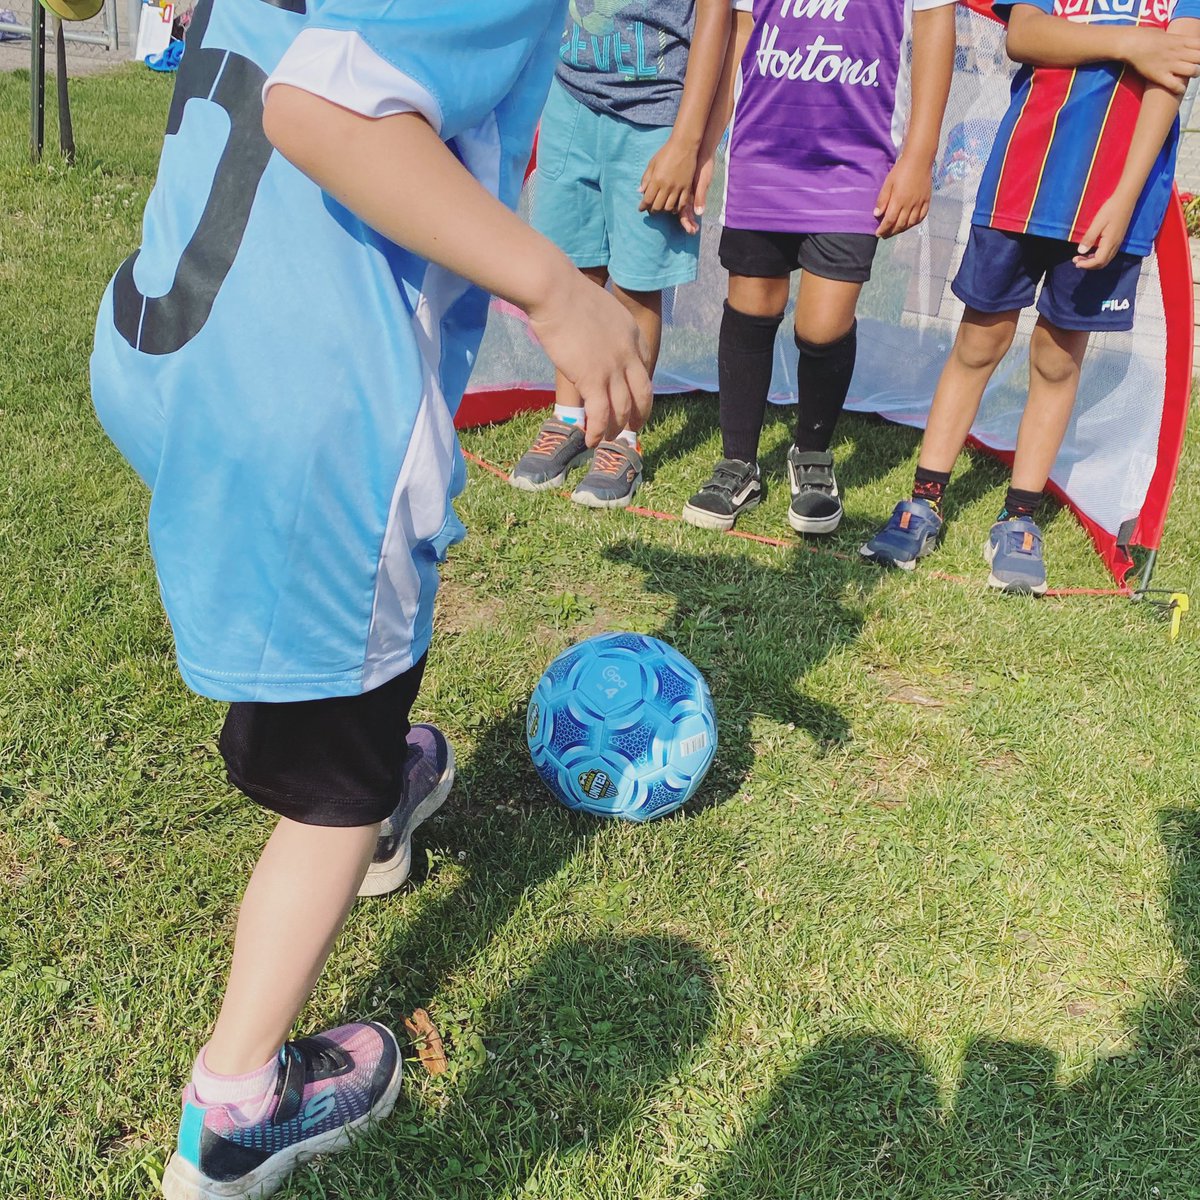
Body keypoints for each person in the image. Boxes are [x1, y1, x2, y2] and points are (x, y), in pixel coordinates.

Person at [89, 2, 651, 1197]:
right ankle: (236, 1110)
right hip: (308, 412)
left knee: (315, 640)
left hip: (176, 341)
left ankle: (375, 780)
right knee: (334, 742)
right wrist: (559, 291)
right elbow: (322, 106)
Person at [862, 0, 1200, 594]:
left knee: (1057, 359)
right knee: (977, 344)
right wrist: (1129, 44)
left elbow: (1168, 79)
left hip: (1108, 209)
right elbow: (1024, 34)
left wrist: (1123, 203)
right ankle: (923, 502)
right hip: (1020, 184)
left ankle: (1019, 518)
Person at [681, 0, 957, 534]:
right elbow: (737, 34)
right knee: (751, 303)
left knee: (822, 324)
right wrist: (709, 144)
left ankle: (811, 454)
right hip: (762, 147)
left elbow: (934, 25)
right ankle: (738, 462)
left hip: (857, 160)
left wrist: (919, 155)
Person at [509, 0, 731, 509]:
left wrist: (688, 142)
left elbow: (716, 19)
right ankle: (569, 416)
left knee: (637, 282)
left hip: (656, 120)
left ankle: (623, 437)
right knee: (571, 271)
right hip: (569, 102)